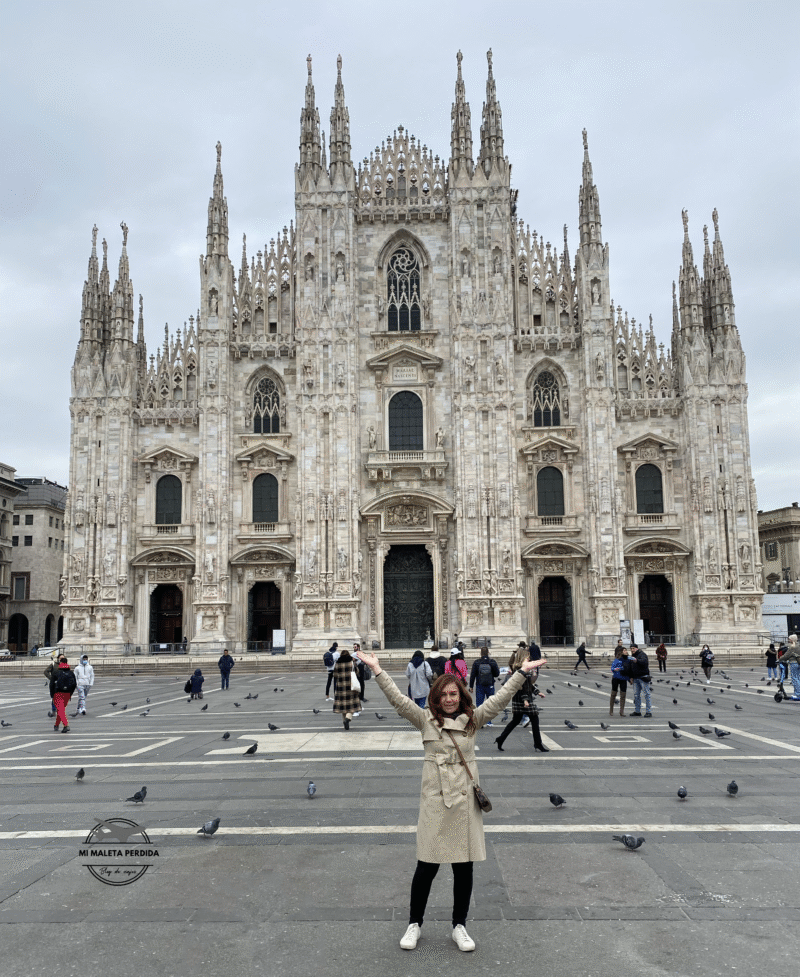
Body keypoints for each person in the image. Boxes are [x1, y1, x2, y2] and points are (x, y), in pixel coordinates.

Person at [355, 646, 546, 952]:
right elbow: (398, 701)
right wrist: (377, 670)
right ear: (436, 697)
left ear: (461, 696)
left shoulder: (474, 719)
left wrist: (521, 673)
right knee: (426, 867)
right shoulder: (425, 720)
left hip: (463, 802)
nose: (448, 699)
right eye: (443, 694)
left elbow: (499, 700)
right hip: (434, 801)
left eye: (454, 694)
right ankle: (414, 923)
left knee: (463, 868)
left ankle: (460, 926)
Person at [494, 643, 549, 752]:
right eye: (527, 656)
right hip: (523, 698)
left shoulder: (519, 668)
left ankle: (500, 739)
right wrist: (525, 700)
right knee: (534, 718)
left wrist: (538, 692)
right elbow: (522, 685)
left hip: (519, 697)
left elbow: (528, 684)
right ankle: (538, 744)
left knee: (515, 720)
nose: (529, 658)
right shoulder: (522, 670)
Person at [332, 645, 360, 729]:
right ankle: (348, 718)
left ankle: (345, 722)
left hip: (341, 687)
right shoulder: (352, 663)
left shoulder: (338, 663)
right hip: (351, 686)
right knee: (352, 705)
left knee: (343, 705)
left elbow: (335, 675)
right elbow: (357, 672)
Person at [468, 646, 500, 722]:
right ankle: (489, 721)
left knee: (479, 703)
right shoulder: (492, 661)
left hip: (480, 685)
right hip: (490, 684)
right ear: (488, 652)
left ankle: (480, 720)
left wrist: (471, 686)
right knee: (490, 703)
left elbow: (472, 675)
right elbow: (497, 674)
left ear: (480, 653)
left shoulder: (477, 662)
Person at [49, 656, 76, 732]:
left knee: (60, 710)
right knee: (61, 710)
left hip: (58, 693)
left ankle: (66, 725)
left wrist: (52, 694)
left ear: (60, 663)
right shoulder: (71, 673)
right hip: (67, 694)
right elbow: (74, 684)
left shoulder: (56, 673)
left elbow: (51, 684)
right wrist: (70, 694)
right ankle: (56, 725)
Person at [626, 643, 652, 717]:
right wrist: (630, 677)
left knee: (647, 694)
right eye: (631, 649)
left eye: (633, 648)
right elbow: (631, 668)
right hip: (635, 678)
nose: (632, 650)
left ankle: (648, 711)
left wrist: (636, 660)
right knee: (636, 695)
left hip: (643, 677)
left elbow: (644, 663)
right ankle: (637, 711)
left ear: (637, 648)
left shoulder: (642, 654)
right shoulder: (632, 657)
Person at [609, 645, 629, 716]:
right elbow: (612, 668)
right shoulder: (617, 660)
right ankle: (611, 710)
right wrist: (616, 669)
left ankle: (621, 711)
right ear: (621, 652)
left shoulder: (628, 660)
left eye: (626, 650)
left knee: (623, 695)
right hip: (616, 678)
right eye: (624, 650)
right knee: (613, 694)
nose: (626, 651)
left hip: (624, 679)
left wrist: (630, 679)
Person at [779, 634, 800, 699]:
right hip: (798, 663)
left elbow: (786, 656)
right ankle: (798, 692)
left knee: (794, 679)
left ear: (792, 640)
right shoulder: (799, 646)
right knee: (798, 678)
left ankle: (797, 694)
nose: (788, 640)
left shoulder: (792, 647)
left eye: (789, 639)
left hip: (793, 663)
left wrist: (779, 659)